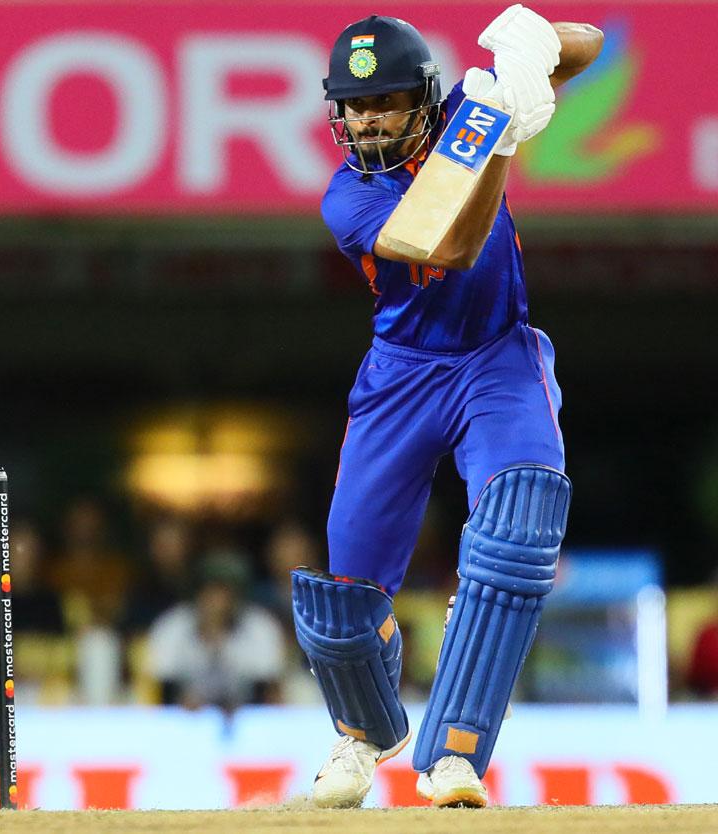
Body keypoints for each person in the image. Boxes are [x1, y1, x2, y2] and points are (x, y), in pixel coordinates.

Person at [290, 7, 602, 809]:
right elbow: (448, 244)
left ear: (423, 98)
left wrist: (528, 59)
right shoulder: (347, 198)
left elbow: (590, 46)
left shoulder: (473, 106)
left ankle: (455, 754)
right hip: (401, 375)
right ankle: (364, 736)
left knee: (517, 528)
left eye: (385, 100)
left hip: (497, 358)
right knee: (344, 602)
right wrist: (498, 139)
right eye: (353, 105)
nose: (366, 119)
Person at [147, 550, 286, 712]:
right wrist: (181, 702)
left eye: (225, 591)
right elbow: (161, 688)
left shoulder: (260, 626)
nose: (217, 600)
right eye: (210, 590)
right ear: (197, 592)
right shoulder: (172, 626)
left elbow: (269, 690)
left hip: (247, 719)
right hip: (182, 720)